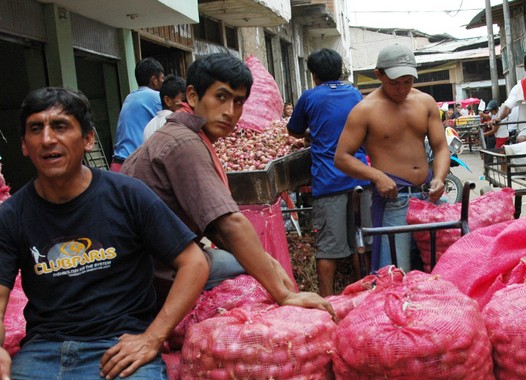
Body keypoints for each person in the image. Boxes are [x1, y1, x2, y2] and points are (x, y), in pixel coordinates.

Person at [0, 87, 209, 380]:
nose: (47, 139)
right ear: (23, 145)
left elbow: (194, 262)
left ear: (88, 139)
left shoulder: (126, 195)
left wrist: (153, 337)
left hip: (116, 346)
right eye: (35, 130)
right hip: (41, 353)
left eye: (60, 126)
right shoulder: (13, 214)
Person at [122, 53, 334, 318]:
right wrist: (286, 295)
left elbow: (217, 228)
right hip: (151, 273)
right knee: (245, 269)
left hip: (153, 262)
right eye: (220, 97)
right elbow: (229, 224)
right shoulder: (184, 143)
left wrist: (268, 262)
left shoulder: (180, 134)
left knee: (258, 263)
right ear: (192, 96)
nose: (230, 112)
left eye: (238, 102)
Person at [334, 43, 450, 273]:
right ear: (379, 74)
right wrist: (376, 176)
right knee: (396, 275)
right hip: (394, 200)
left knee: (442, 268)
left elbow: (441, 148)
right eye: (394, 82)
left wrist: (439, 176)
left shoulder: (425, 102)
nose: (401, 89)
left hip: (429, 196)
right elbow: (342, 157)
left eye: (407, 82)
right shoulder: (365, 110)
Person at [286, 49, 372, 297]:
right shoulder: (355, 93)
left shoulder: (310, 97)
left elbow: (294, 129)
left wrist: (314, 134)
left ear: (313, 74)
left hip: (328, 182)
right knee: (360, 243)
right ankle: (364, 298)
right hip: (359, 178)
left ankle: (326, 302)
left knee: (327, 249)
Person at [111, 58, 164, 172]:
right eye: (162, 78)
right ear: (154, 80)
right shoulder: (156, 97)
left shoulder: (130, 97)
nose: (163, 82)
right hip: (134, 165)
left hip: (117, 163)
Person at [143, 74, 186, 141]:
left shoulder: (149, 126)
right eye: (183, 100)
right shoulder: (175, 121)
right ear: (167, 101)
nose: (187, 104)